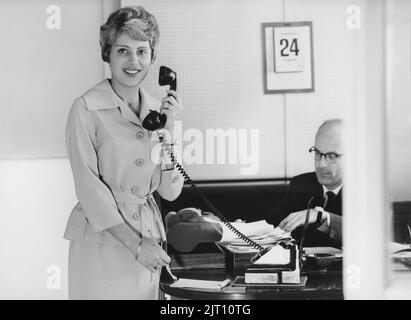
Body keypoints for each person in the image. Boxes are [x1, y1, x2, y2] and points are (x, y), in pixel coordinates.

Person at [64, 6, 184, 299]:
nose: (134, 61)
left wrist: (173, 129)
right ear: (108, 55)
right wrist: (136, 244)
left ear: (152, 57)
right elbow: (88, 188)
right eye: (123, 51)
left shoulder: (159, 112)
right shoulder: (85, 109)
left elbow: (171, 191)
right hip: (103, 243)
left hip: (150, 240)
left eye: (142, 51)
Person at [267, 119, 343, 248]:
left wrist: (323, 218)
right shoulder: (301, 184)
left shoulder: (368, 189)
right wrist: (245, 230)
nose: (321, 164)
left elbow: (367, 233)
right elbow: (273, 226)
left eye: (331, 156)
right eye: (318, 153)